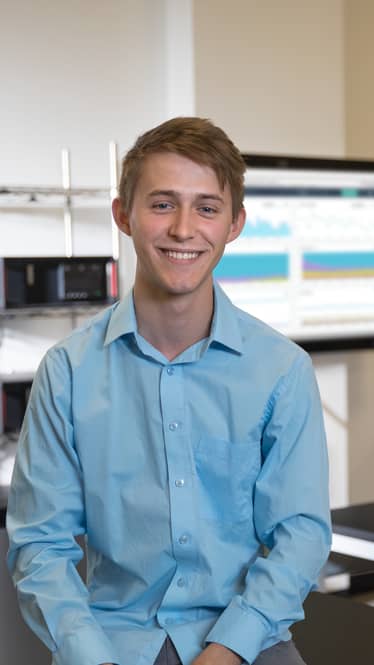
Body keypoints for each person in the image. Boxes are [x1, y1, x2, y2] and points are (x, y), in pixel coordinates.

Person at [6, 117, 331, 665]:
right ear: (123, 216)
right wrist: (90, 656)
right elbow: (41, 545)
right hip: (110, 642)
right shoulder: (66, 371)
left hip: (249, 638)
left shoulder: (282, 370)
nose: (184, 228)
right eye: (162, 204)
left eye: (207, 207)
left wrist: (230, 647)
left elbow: (299, 535)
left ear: (234, 224)